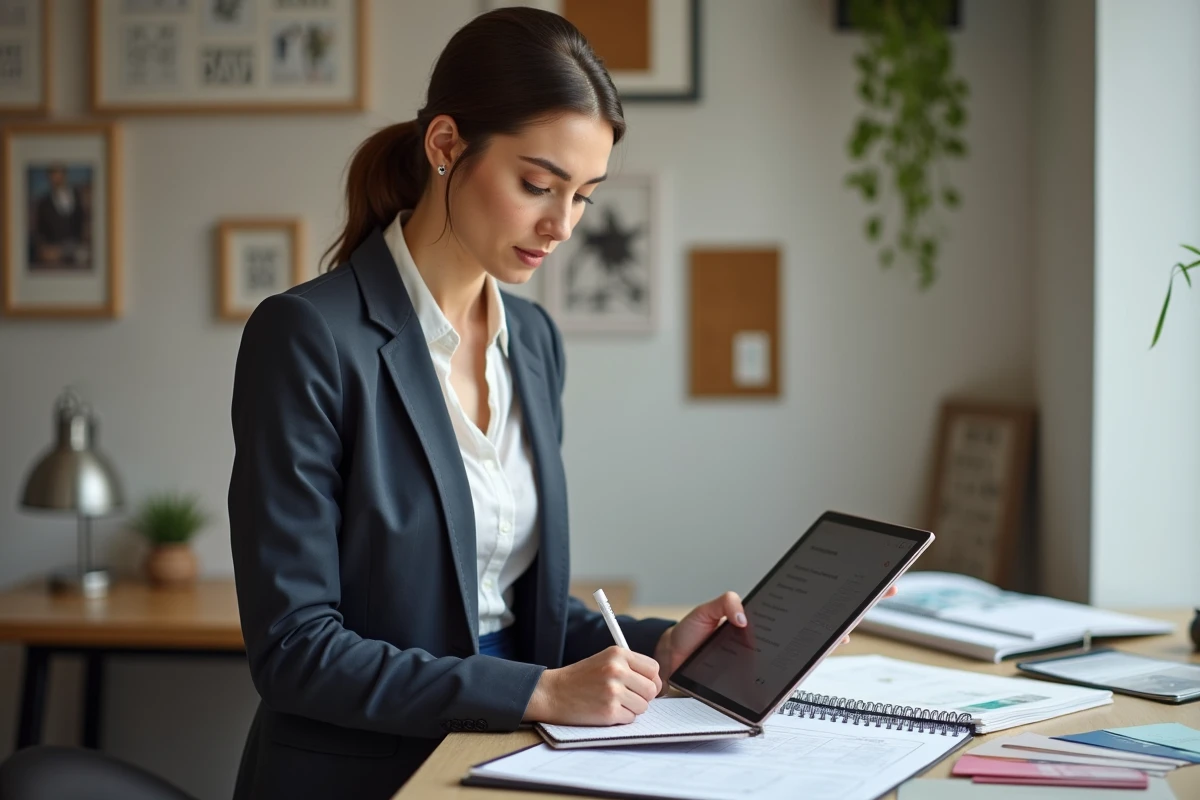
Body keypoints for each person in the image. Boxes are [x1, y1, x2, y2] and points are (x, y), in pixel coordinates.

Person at [228, 8, 885, 799]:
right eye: (538, 185)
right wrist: (540, 693)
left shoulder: (532, 341)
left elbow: (508, 608)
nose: (561, 224)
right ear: (445, 146)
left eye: (584, 197)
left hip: (514, 756)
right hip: (371, 775)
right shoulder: (309, 336)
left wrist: (663, 648)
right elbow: (296, 650)